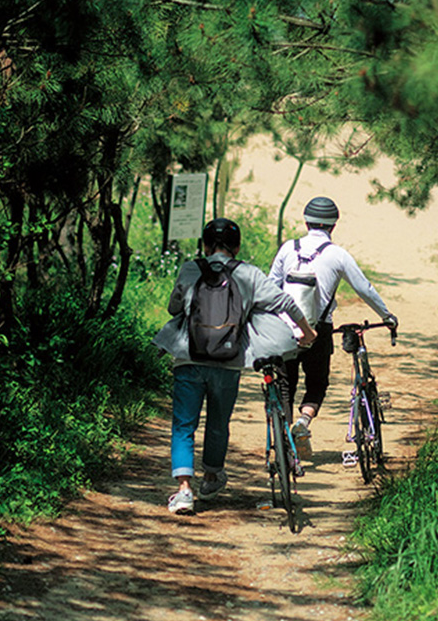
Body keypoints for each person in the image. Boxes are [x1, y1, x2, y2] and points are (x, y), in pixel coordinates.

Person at [153, 217, 317, 515]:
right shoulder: (249, 273)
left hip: (188, 359)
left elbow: (173, 308)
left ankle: (184, 490)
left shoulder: (191, 269)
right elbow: (286, 303)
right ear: (237, 246)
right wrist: (306, 331)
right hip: (228, 363)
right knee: (218, 423)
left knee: (184, 424)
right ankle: (212, 476)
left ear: (205, 245)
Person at [268, 196, 398, 460]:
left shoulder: (287, 249)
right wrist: (386, 315)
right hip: (319, 330)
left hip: (284, 330)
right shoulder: (338, 255)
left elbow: (271, 287)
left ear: (306, 222)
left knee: (285, 385)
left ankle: (283, 445)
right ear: (333, 226)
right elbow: (364, 289)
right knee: (317, 383)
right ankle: (303, 423)